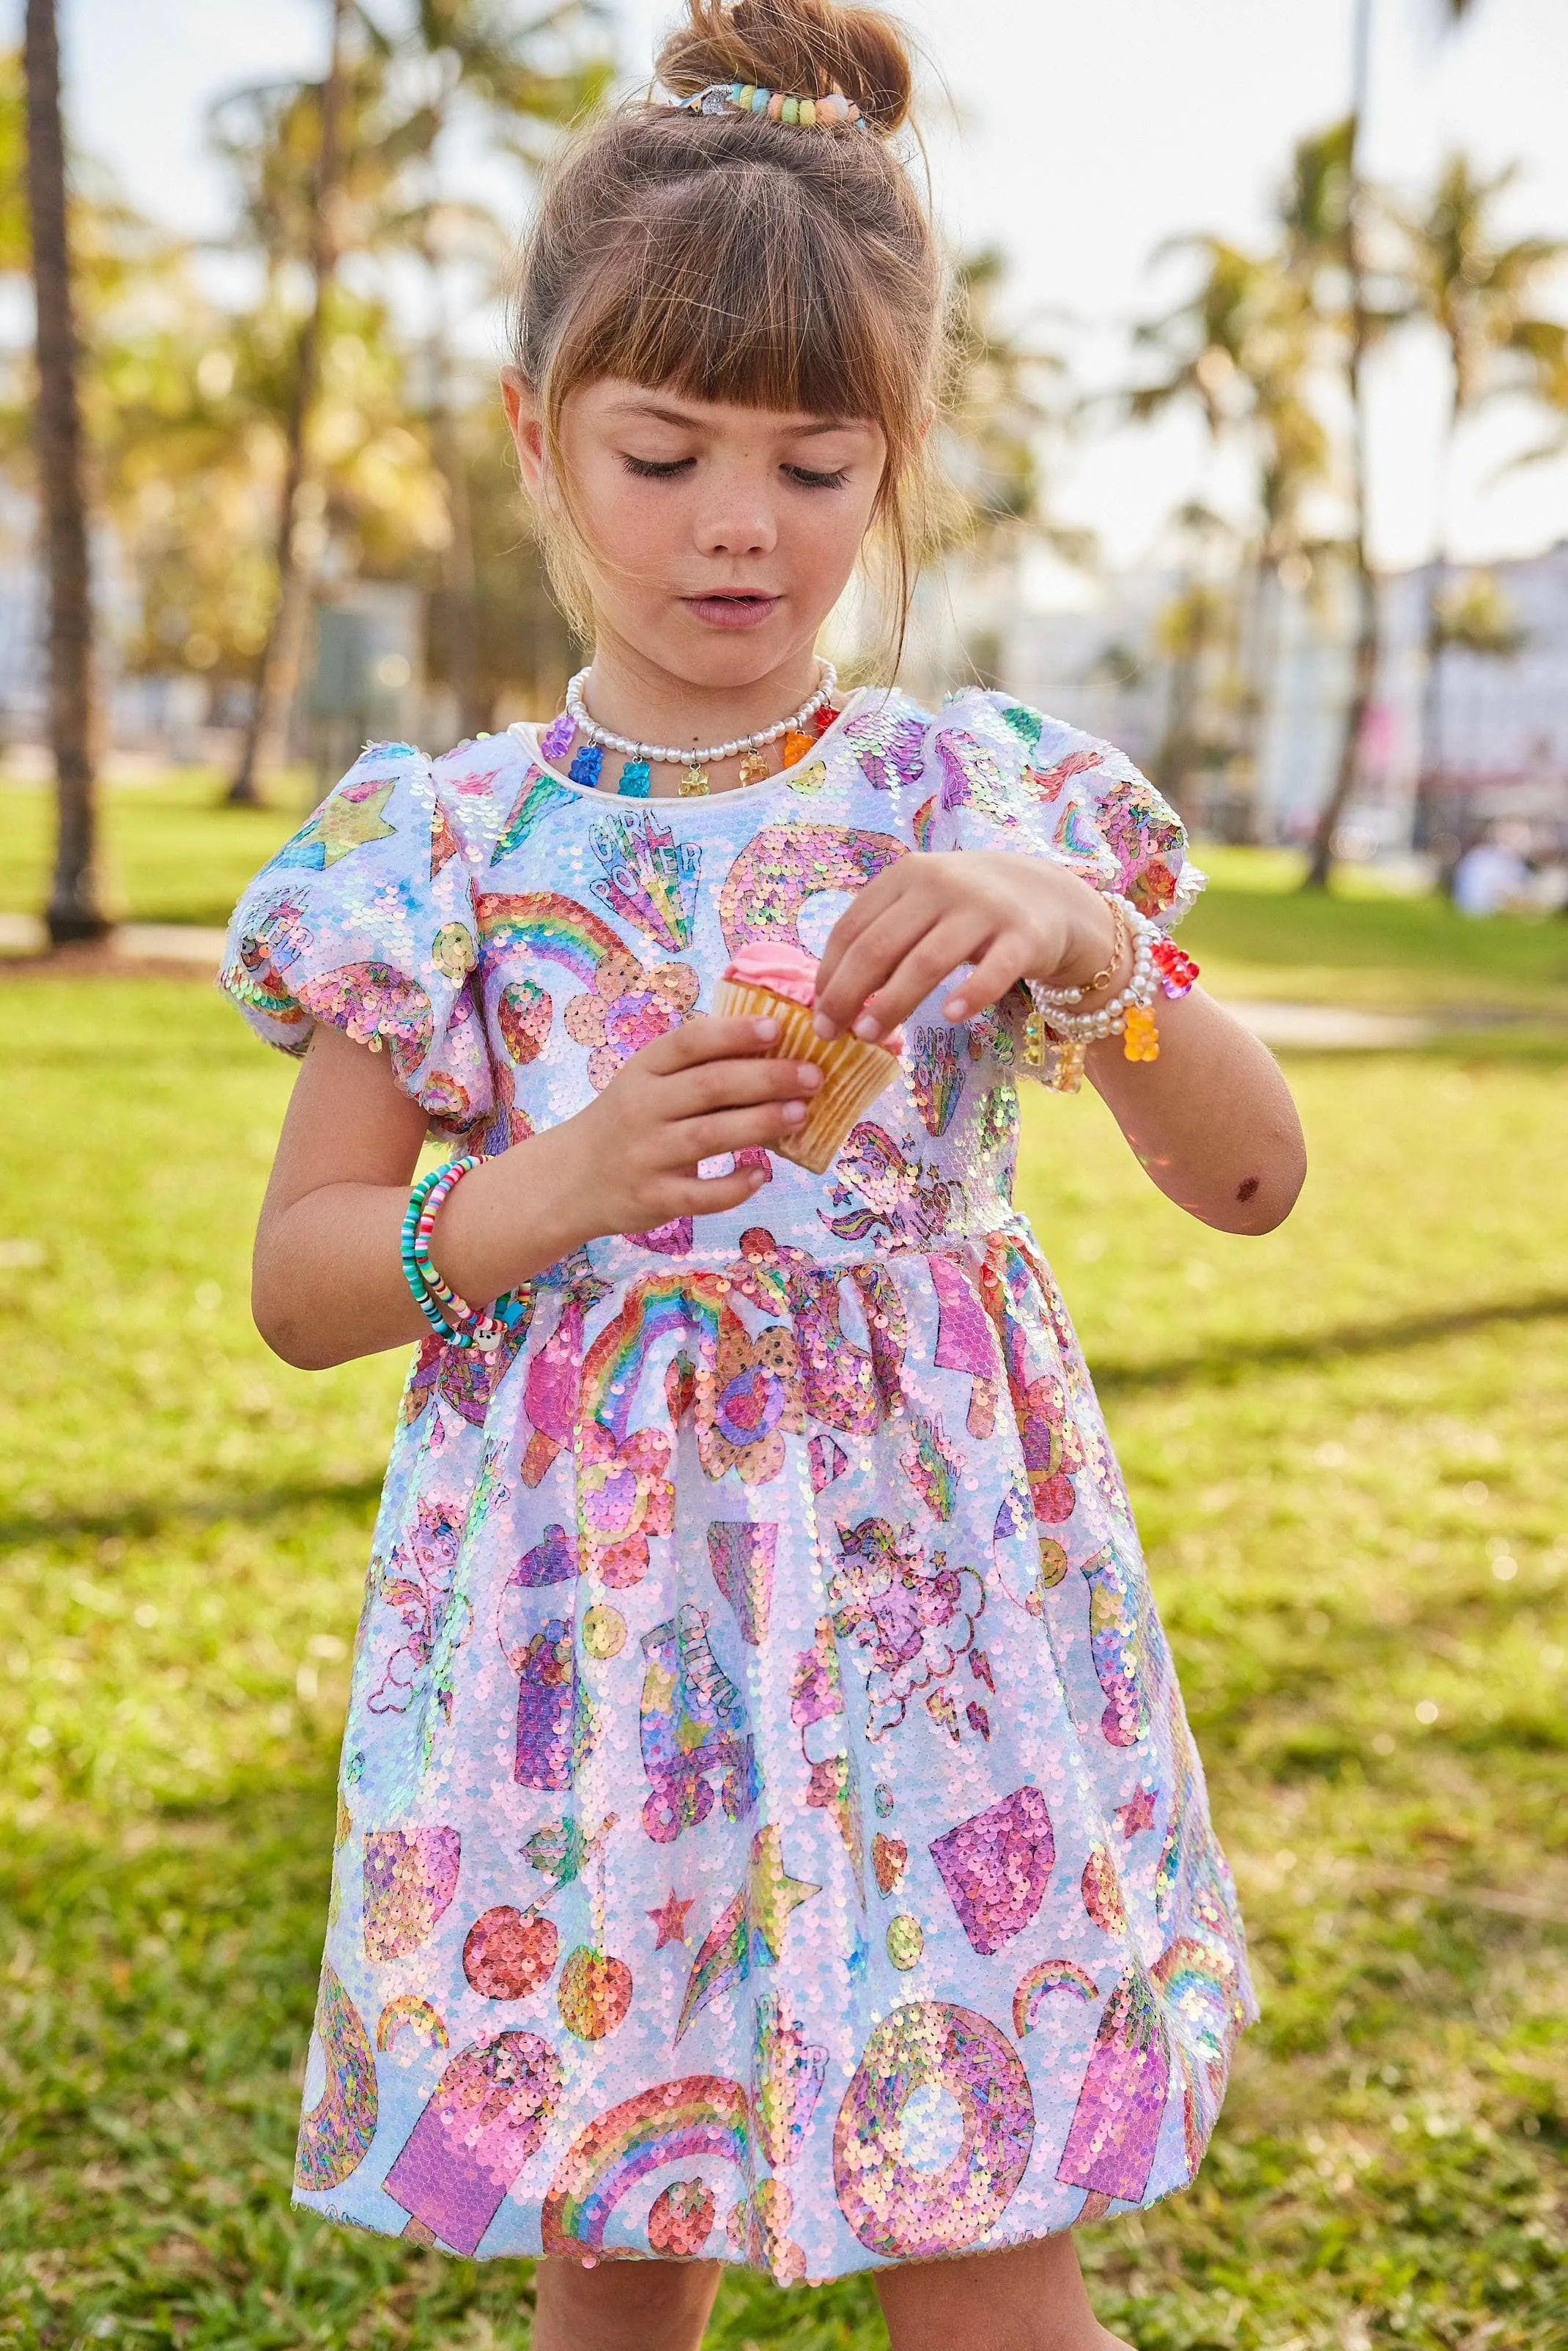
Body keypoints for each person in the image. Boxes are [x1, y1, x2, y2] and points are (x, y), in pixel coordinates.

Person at [221, 5, 1306, 2345]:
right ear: (538, 438)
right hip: (590, 1647)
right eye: (662, 450)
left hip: (931, 1616)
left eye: (818, 466)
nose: (737, 520)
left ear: (896, 464)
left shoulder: (984, 802)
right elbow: (304, 1280)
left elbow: (1250, 1185)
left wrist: (1094, 948)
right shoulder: (442, 849)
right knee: (622, 2243)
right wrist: (559, 1182)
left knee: (988, 2252)